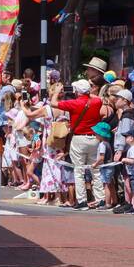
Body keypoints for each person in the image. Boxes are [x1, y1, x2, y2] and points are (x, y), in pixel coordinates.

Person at [52, 79, 106, 209]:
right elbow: (97, 98)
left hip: (79, 138)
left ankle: (82, 201)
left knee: (79, 170)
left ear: (77, 91)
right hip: (94, 138)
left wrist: (57, 91)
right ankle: (100, 199)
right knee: (96, 169)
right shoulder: (96, 101)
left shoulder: (74, 103)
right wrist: (87, 92)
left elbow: (53, 103)